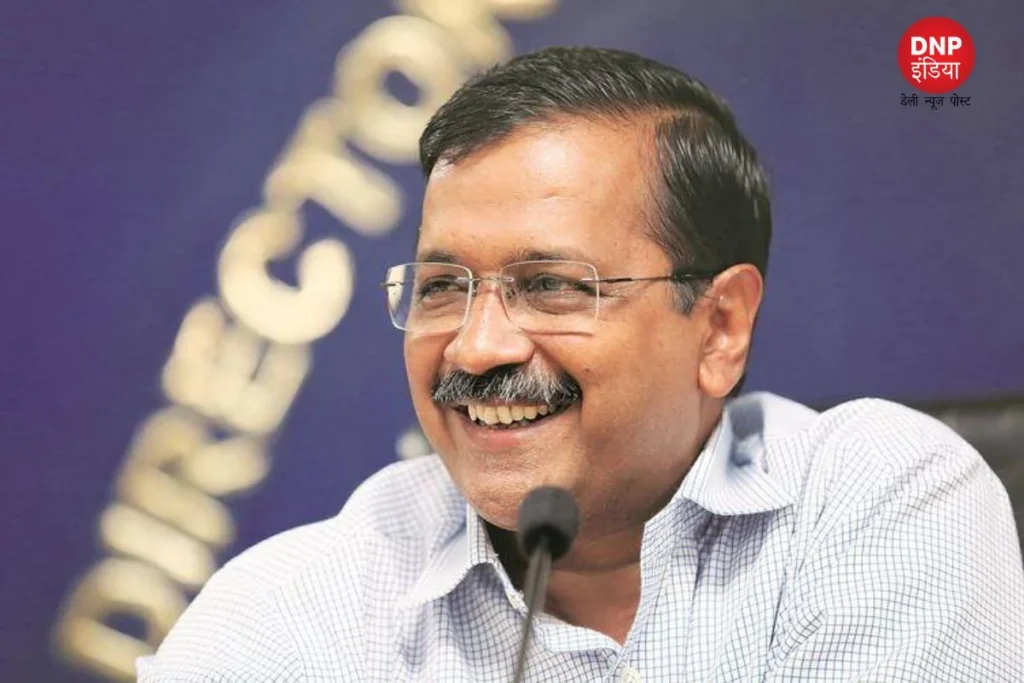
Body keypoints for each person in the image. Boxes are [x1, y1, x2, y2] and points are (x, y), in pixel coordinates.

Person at [138, 46, 1024, 682]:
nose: (476, 346)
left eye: (552, 286)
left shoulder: (879, 498)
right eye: (442, 286)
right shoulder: (295, 605)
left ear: (719, 326)